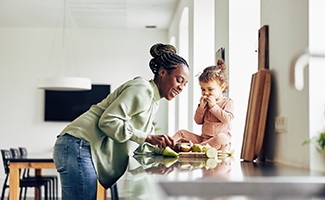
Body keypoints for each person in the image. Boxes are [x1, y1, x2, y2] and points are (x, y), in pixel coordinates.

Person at [53, 43, 190, 200]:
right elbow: (108, 121)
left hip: (77, 146)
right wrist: (148, 137)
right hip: (78, 144)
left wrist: (172, 147)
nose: (181, 88)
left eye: (185, 84)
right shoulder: (142, 89)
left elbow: (140, 142)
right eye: (179, 80)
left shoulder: (153, 101)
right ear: (163, 73)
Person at [172, 59, 234, 152]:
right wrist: (201, 108)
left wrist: (214, 107)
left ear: (222, 87)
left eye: (210, 89)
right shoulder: (205, 103)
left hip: (217, 143)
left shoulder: (228, 102)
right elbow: (198, 121)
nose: (206, 93)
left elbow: (227, 119)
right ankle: (167, 146)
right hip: (203, 140)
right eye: (203, 89)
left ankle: (195, 149)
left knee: (222, 138)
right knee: (182, 133)